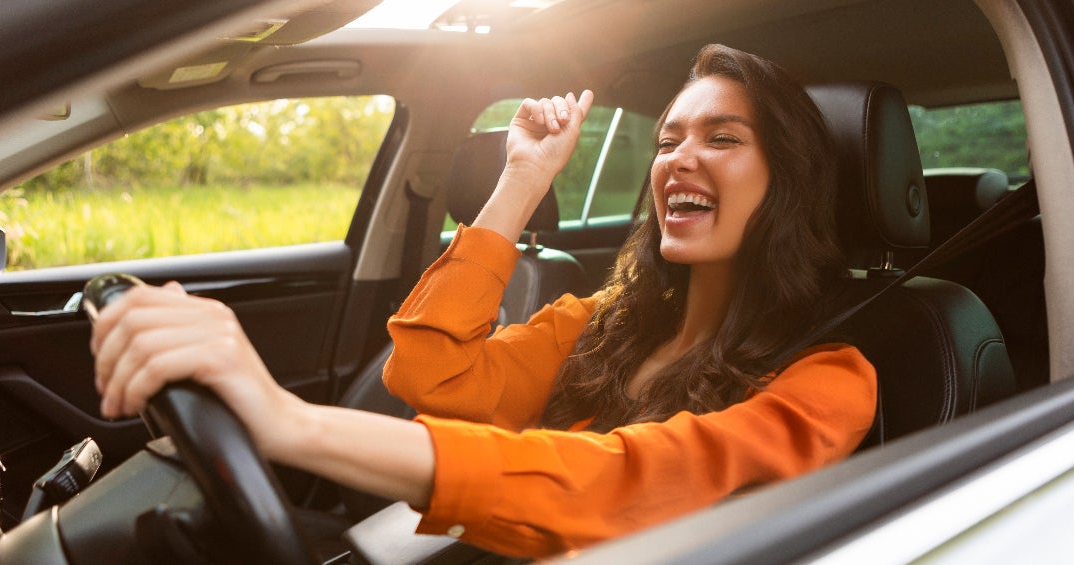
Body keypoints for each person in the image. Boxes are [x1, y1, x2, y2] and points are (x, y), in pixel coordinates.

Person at [91, 44, 876, 558]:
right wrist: (522, 179)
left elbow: (624, 483)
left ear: (787, 181)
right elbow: (429, 373)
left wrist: (289, 421)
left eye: (722, 138)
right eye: (668, 141)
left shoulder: (828, 381)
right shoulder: (602, 321)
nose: (678, 159)